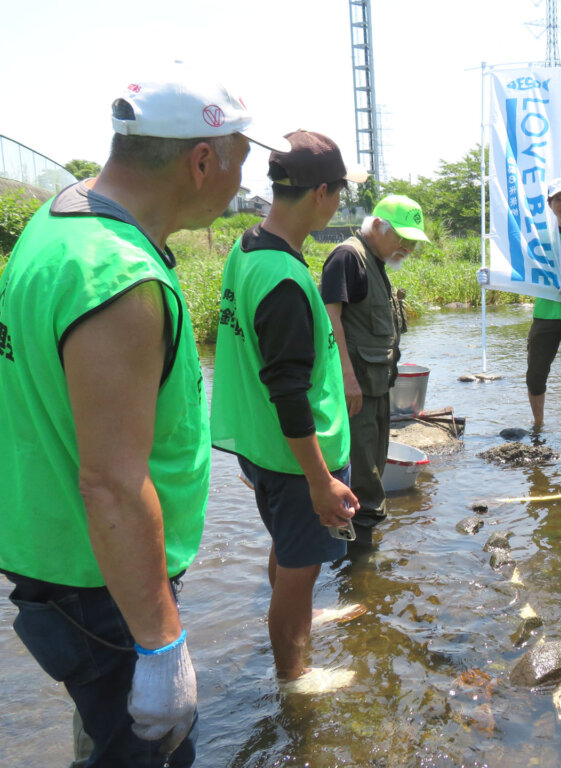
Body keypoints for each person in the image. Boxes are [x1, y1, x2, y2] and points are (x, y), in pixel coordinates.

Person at [0, 63, 264, 767]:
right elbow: (112, 483)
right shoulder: (119, 279)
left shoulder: (57, 223)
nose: (244, 184)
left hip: (57, 561)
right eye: (240, 162)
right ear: (201, 160)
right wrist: (161, 646)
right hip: (100, 590)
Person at [211, 131, 368, 691]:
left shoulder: (249, 245)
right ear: (322, 192)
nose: (342, 202)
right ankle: (294, 677)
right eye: (341, 192)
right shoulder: (282, 279)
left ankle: (292, 611)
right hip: (298, 455)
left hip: (264, 446)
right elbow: (288, 390)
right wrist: (320, 480)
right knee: (301, 571)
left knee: (288, 551)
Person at [320, 194, 430, 546]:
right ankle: (359, 567)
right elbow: (330, 317)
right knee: (363, 479)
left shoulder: (376, 261)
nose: (409, 248)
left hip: (377, 389)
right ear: (379, 226)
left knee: (372, 469)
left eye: (413, 242)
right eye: (403, 238)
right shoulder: (348, 257)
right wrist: (348, 380)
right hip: (357, 392)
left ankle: (358, 559)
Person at [479, 177, 561, 430]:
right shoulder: (540, 237)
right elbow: (521, 268)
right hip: (546, 316)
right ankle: (538, 425)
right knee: (535, 376)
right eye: (557, 199)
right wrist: (492, 276)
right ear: (549, 204)